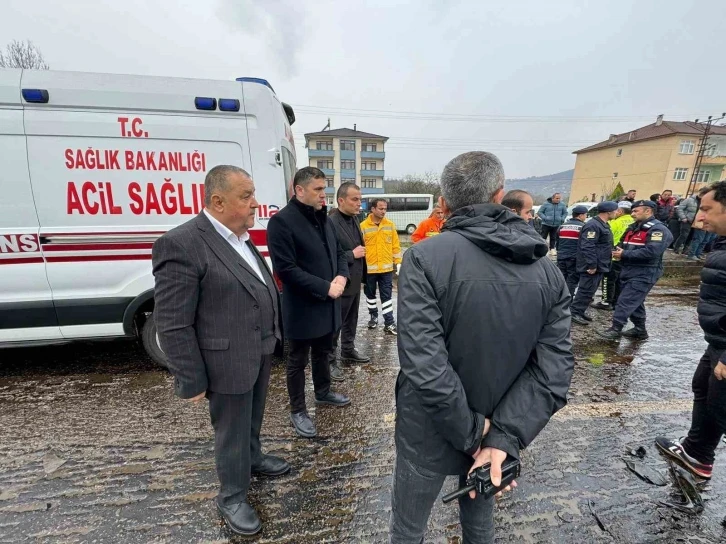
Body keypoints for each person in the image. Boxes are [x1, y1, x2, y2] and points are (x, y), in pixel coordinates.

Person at [390, 151, 574, 543]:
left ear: (442, 204)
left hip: (432, 428)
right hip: (497, 429)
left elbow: (425, 363)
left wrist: (478, 433)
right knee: (480, 523)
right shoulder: (548, 271)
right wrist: (499, 438)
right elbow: (552, 370)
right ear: (499, 196)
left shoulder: (423, 258)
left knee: (408, 528)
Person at [152, 165, 289, 536]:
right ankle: (231, 496)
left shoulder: (241, 237)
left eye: (253, 194)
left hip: (260, 349)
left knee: (253, 417)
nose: (255, 203)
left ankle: (254, 458)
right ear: (217, 200)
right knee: (230, 432)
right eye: (246, 196)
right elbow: (173, 322)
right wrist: (190, 378)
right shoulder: (181, 243)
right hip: (225, 361)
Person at [267, 166, 351, 439]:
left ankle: (323, 392)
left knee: (324, 352)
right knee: (297, 360)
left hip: (328, 303)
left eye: (324, 189)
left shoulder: (323, 218)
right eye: (317, 190)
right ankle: (298, 410)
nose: (323, 195)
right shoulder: (282, 221)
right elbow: (286, 269)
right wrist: (325, 287)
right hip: (303, 306)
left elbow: (338, 252)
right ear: (298, 190)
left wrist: (341, 276)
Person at [656, 181, 726, 481]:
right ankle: (696, 453)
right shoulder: (722, 243)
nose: (700, 217)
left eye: (708, 209)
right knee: (704, 389)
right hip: (718, 342)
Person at [597, 200, 673, 340]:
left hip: (645, 272)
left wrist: (624, 254)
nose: (632, 214)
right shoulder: (633, 227)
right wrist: (618, 251)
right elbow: (621, 244)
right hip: (628, 269)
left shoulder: (658, 230)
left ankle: (616, 328)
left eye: (635, 211)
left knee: (625, 300)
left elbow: (652, 252)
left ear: (648, 211)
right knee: (635, 301)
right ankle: (640, 329)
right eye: (632, 211)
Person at [328, 182, 370, 378]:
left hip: (355, 281)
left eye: (360, 199)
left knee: (351, 319)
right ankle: (329, 360)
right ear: (341, 200)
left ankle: (348, 349)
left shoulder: (353, 219)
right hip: (341, 282)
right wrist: (352, 254)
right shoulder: (331, 222)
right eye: (355, 199)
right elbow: (328, 256)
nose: (359, 204)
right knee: (335, 323)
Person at [569, 202, 617, 326]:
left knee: (590, 290)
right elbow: (587, 246)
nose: (617, 213)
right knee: (585, 290)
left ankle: (580, 311)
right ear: (608, 212)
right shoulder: (593, 225)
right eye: (615, 211)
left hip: (600, 264)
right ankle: (574, 312)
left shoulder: (603, 225)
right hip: (592, 265)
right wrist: (592, 265)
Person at [361, 198, 402, 334]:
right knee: (370, 294)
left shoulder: (390, 225)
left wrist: (398, 263)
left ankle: (389, 323)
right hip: (369, 269)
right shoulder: (363, 227)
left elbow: (395, 246)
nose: (384, 211)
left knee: (387, 296)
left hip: (386, 269)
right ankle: (373, 316)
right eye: (381, 208)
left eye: (385, 208)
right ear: (373, 209)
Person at [592, 201, 634, 311]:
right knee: (619, 278)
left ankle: (606, 301)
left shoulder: (614, 222)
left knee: (608, 278)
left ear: (620, 211)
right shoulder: (633, 222)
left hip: (613, 252)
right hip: (626, 253)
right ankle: (616, 301)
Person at [556, 205, 589, 296]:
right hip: (574, 258)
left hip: (561, 256)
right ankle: (567, 299)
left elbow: (557, 242)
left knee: (561, 278)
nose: (586, 217)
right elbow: (585, 244)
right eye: (585, 215)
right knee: (572, 280)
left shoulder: (562, 226)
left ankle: (558, 297)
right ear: (580, 215)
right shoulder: (584, 227)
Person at [674, 189, 707, 254]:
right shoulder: (689, 200)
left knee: (691, 236)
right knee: (684, 235)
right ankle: (676, 247)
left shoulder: (704, 202)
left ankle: (685, 249)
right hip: (687, 220)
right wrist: (683, 217)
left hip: (696, 221)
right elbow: (680, 208)